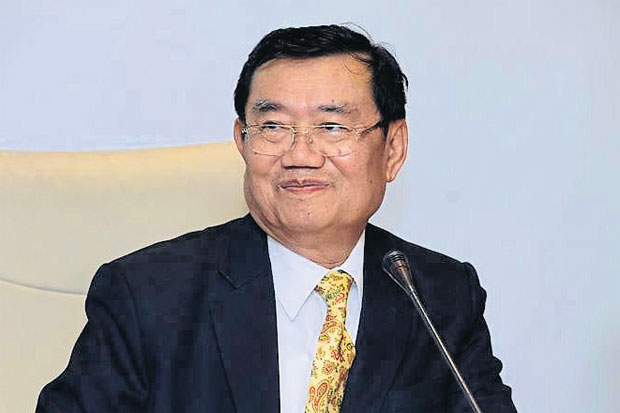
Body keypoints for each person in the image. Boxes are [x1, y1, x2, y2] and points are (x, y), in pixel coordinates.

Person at [37, 25, 516, 412]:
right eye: (273, 126)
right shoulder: (148, 295)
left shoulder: (439, 295)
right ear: (242, 141)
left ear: (393, 149)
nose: (300, 155)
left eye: (332, 126)